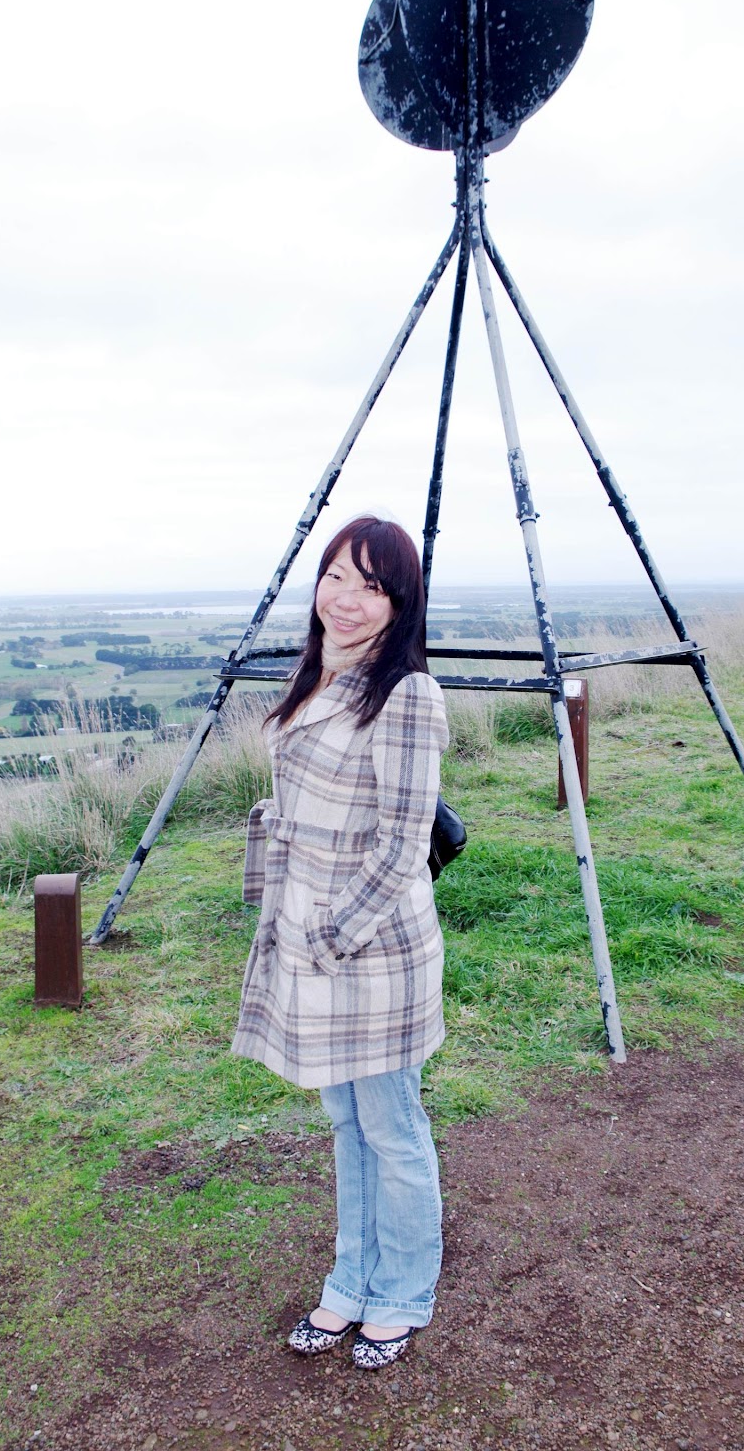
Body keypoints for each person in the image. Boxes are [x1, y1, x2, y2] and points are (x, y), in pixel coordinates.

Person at [232, 515, 449, 1371]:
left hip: (371, 949)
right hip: (306, 931)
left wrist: (328, 937)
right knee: (344, 1122)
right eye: (335, 577)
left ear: (400, 605)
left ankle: (403, 1294)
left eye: (371, 586)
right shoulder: (317, 676)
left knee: (390, 1124)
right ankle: (352, 1281)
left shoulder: (405, 695)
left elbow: (402, 844)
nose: (346, 599)